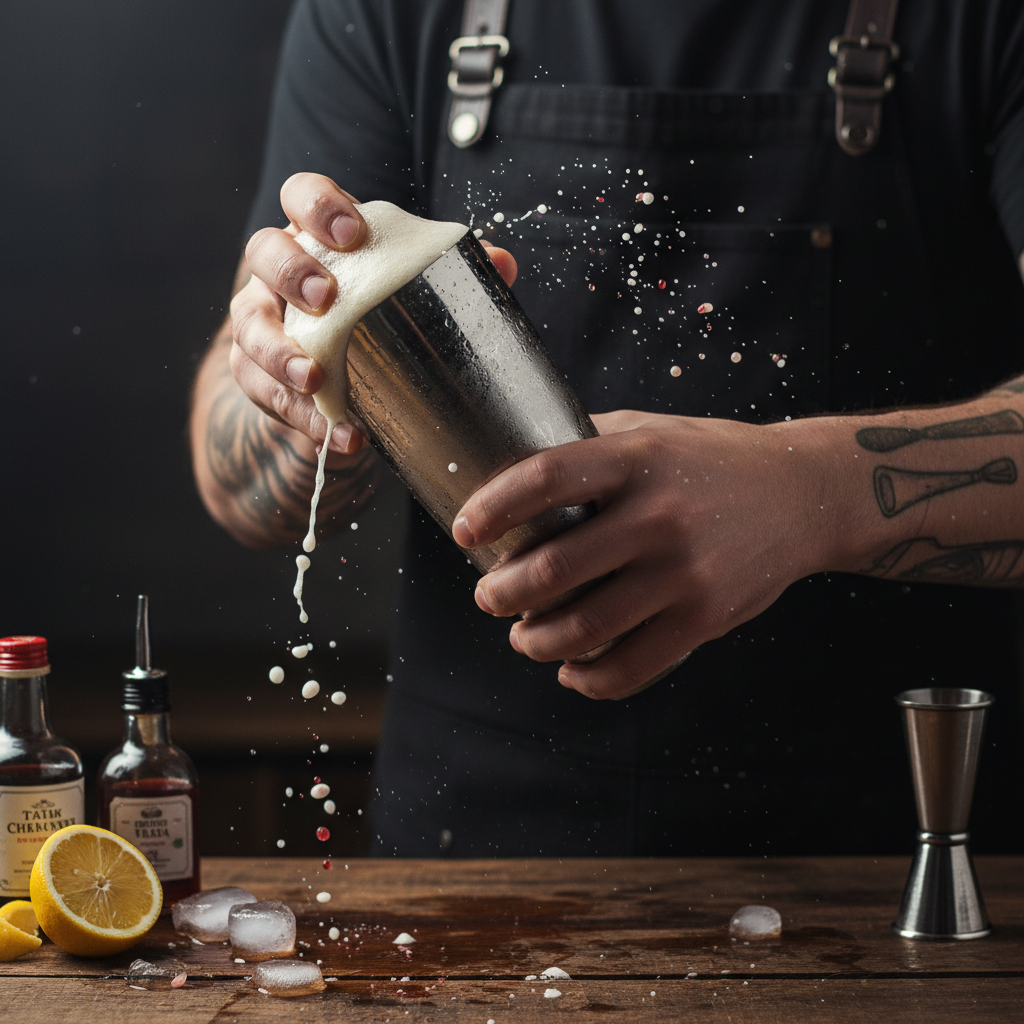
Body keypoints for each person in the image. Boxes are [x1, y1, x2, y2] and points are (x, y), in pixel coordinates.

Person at [190, 0, 1024, 857]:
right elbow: (242, 496)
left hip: (913, 845)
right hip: (477, 851)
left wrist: (810, 491)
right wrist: (314, 388)